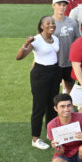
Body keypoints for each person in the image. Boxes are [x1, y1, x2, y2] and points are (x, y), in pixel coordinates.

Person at [16, 15, 61, 150]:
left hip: (54, 72)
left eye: (53, 23)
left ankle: (50, 132)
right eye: (48, 23)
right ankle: (35, 138)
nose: (51, 25)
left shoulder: (56, 38)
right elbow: (19, 57)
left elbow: (53, 55)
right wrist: (25, 44)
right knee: (39, 106)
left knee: (52, 104)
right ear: (42, 26)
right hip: (40, 74)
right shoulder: (36, 40)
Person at [50, 0, 79, 95]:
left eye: (64, 5)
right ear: (53, 6)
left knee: (70, 87)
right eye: (59, 5)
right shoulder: (48, 23)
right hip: (54, 63)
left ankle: (70, 107)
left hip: (70, 62)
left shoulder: (72, 22)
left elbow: (78, 41)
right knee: (53, 88)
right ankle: (54, 108)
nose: (61, 7)